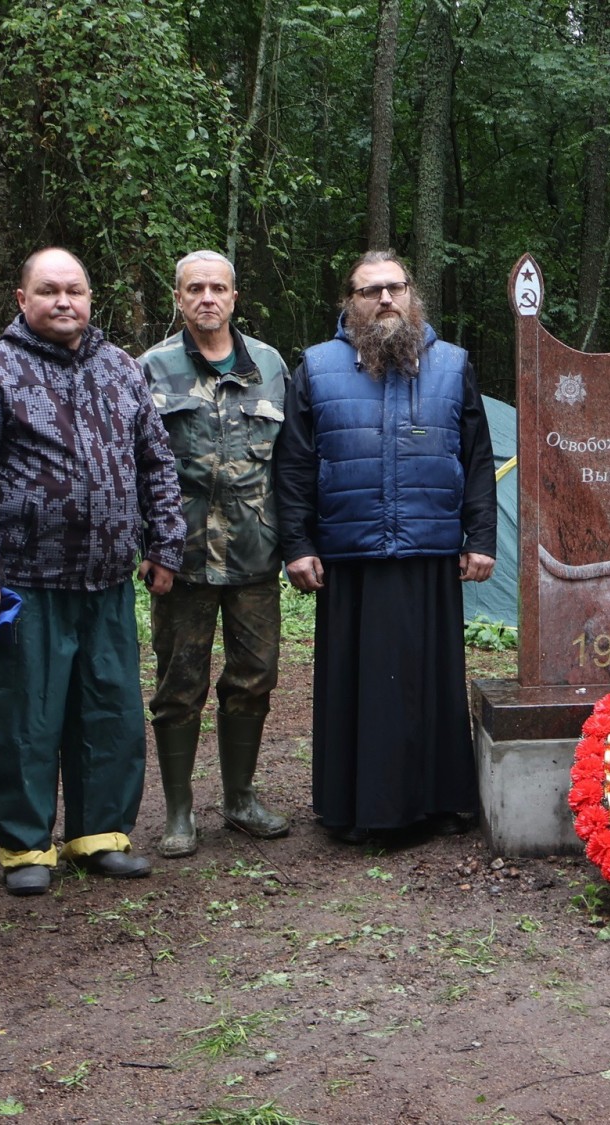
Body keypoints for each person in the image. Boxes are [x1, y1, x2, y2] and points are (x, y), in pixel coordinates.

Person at [0, 247, 186, 895]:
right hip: (26, 581)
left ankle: (100, 835)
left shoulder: (121, 370)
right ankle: (25, 846)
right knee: (27, 716)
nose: (62, 301)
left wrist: (165, 541)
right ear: (22, 299)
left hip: (106, 578)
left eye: (73, 290)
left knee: (111, 710)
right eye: (47, 290)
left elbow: (155, 461)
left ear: (89, 297)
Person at [273, 250, 496, 843]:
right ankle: (355, 809)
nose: (386, 299)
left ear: (411, 292)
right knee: (358, 689)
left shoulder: (452, 364)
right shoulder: (317, 368)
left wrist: (481, 537)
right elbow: (293, 465)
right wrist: (297, 544)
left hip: (430, 548)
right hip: (351, 552)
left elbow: (476, 459)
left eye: (395, 287)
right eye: (371, 290)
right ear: (351, 300)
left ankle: (440, 804)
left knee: (431, 685)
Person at [139, 250, 291, 859]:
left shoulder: (272, 367)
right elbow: (136, 469)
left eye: (218, 288)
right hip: (183, 560)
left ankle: (241, 798)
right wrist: (151, 546)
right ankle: (179, 812)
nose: (207, 297)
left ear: (234, 296)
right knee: (180, 683)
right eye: (195, 288)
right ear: (178, 298)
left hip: (256, 554)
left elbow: (293, 461)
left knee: (254, 678)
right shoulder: (149, 369)